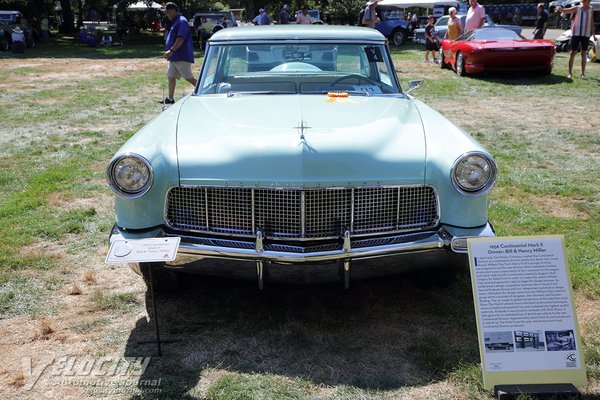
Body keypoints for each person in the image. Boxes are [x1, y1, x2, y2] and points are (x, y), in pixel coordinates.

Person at [163, 2, 196, 104]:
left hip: (181, 55)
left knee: (188, 77)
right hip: (175, 57)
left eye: (168, 11)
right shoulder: (176, 21)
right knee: (171, 76)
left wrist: (171, 50)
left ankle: (205, 90)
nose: (167, 14)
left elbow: (181, 38)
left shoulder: (182, 21)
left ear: (174, 10)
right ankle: (170, 98)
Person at [558, 0, 596, 79]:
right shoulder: (577, 8)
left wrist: (593, 33)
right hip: (576, 33)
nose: (588, 1)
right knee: (573, 53)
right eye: (587, 0)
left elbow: (591, 21)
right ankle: (570, 73)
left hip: (585, 34)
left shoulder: (591, 8)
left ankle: (582, 74)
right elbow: (566, 11)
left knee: (584, 53)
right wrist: (560, 8)